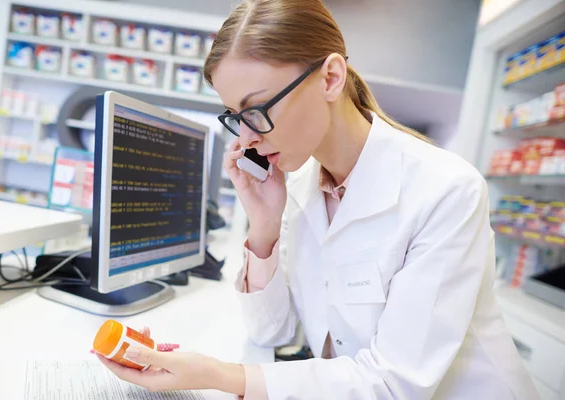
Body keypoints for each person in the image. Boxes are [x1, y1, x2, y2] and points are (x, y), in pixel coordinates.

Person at [96, 0, 539, 398]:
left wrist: (217, 375)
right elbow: (272, 332)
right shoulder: (302, 182)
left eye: (258, 110)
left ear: (330, 77)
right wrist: (264, 227)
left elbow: (393, 384)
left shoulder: (446, 190)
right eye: (237, 118)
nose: (248, 138)